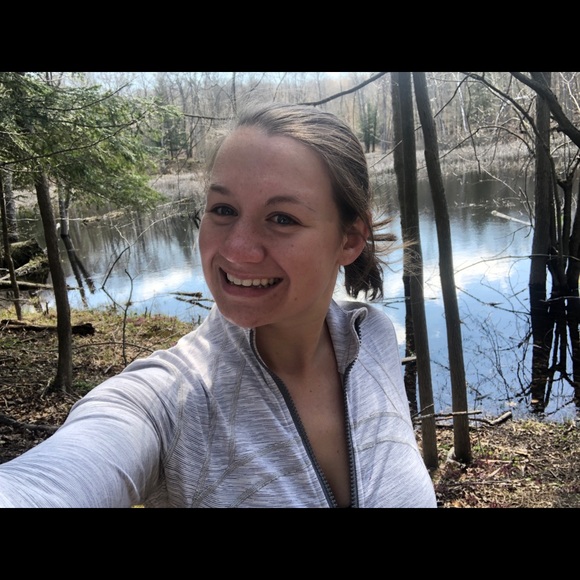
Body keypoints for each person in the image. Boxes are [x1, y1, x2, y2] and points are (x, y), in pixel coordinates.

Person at [0, 102, 437, 508]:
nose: (238, 249)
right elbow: (55, 478)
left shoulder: (373, 338)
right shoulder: (171, 398)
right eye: (223, 209)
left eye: (282, 218)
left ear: (350, 239)